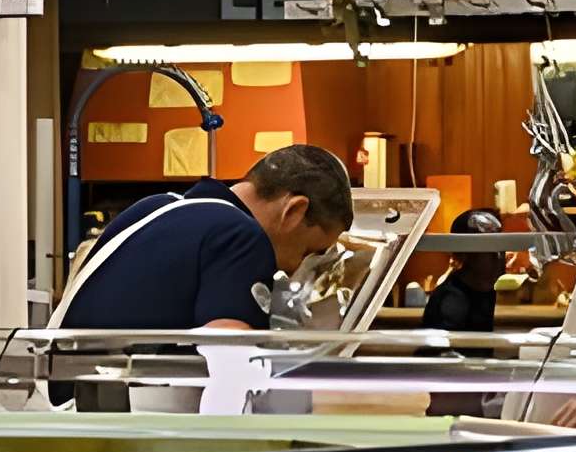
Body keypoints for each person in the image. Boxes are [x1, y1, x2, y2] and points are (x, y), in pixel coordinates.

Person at [55, 144, 354, 331]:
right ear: (294, 211)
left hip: (62, 396)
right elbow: (229, 354)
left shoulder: (156, 206)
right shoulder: (241, 235)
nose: (293, 268)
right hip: (114, 405)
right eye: (306, 251)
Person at [420, 207, 511, 337]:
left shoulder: (484, 289)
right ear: (464, 253)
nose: (498, 256)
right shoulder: (453, 299)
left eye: (501, 247)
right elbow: (448, 347)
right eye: (488, 248)